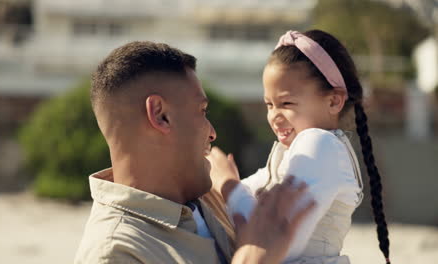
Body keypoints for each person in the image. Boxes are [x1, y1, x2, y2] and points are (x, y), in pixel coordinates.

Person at [74, 41, 315, 264]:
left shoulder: (207, 200)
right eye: (202, 111)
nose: (212, 133)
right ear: (160, 115)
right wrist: (255, 256)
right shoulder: (115, 252)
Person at [208, 30, 391, 264]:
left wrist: (228, 184)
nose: (274, 116)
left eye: (286, 103)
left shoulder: (321, 144)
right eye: (269, 104)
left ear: (334, 100)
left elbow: (273, 244)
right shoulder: (290, 157)